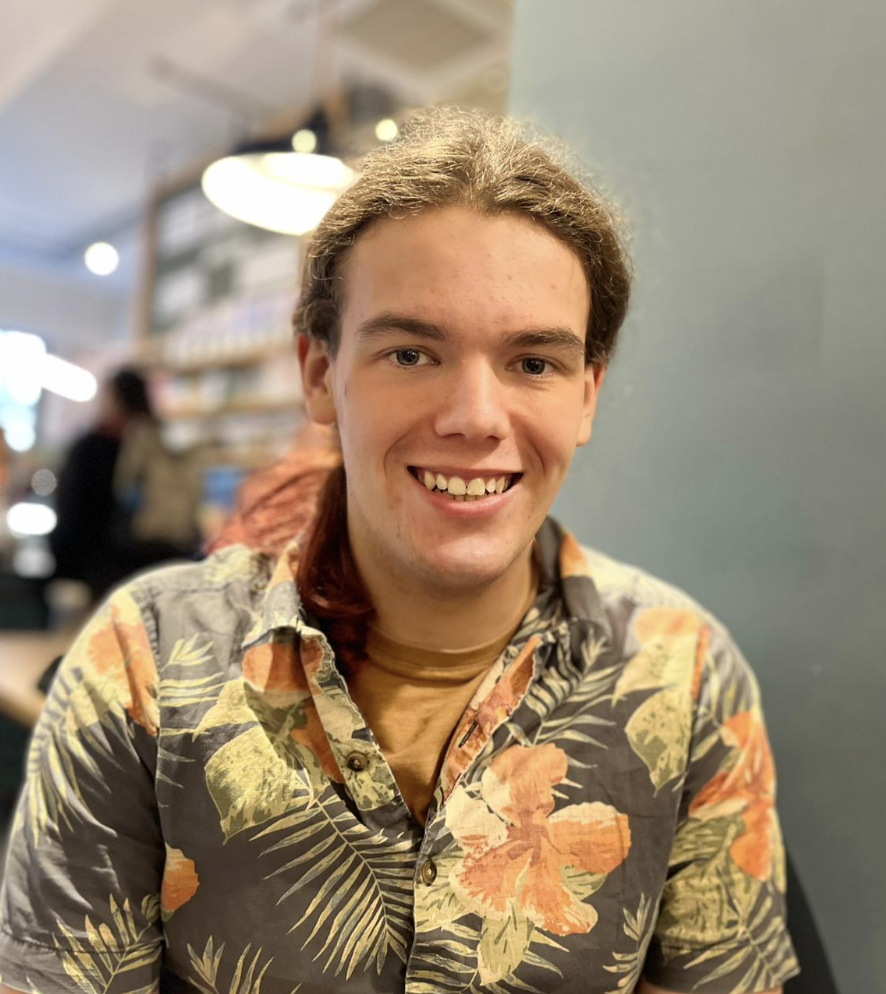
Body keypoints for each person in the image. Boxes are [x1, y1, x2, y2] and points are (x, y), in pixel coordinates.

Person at [0, 109, 798, 994]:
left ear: (586, 395)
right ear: (319, 374)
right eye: (412, 352)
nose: (475, 418)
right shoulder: (141, 663)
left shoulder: (686, 679)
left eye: (534, 363)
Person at [48, 367, 199, 601]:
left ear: (112, 399)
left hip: (104, 567)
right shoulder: (165, 442)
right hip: (162, 563)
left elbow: (73, 511)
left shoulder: (93, 447)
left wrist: (63, 564)